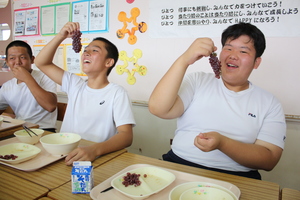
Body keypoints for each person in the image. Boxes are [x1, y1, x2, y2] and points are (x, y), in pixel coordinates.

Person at [148, 22, 286, 180]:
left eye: (243, 51)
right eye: (228, 48)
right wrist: (184, 60)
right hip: (178, 165)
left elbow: (269, 159)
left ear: (256, 62)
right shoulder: (198, 80)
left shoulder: (270, 103)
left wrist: (223, 143)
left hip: (236, 177)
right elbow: (158, 108)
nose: (232, 55)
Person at [35, 22, 136, 165]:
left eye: (95, 51)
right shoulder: (75, 84)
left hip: (95, 159)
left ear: (109, 62)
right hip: (63, 154)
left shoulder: (117, 93)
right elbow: (41, 62)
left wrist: (94, 150)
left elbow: (126, 136)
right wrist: (61, 36)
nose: (86, 53)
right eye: (86, 50)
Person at [0, 40, 57, 132]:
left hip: (43, 129)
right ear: (6, 62)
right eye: (12, 58)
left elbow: (50, 106)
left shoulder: (45, 77)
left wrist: (27, 78)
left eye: (22, 57)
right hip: (20, 129)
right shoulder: (7, 86)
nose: (17, 62)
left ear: (32, 59)